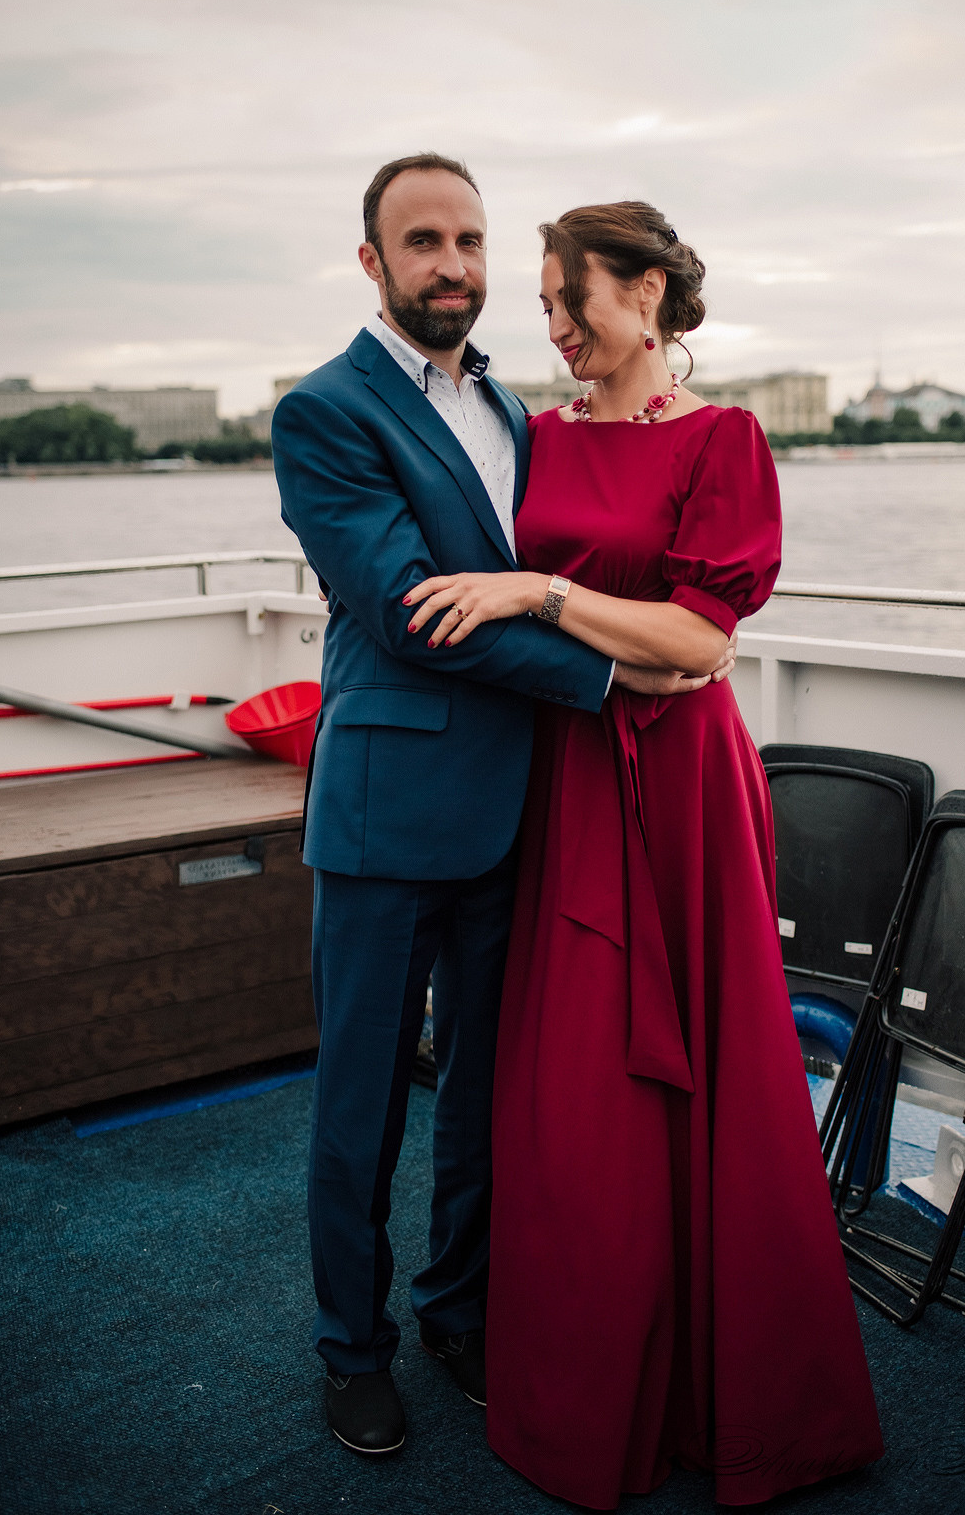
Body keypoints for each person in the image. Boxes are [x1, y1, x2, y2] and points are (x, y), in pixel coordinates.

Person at [402, 201, 884, 1507]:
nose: (553, 328)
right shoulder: (527, 436)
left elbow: (703, 640)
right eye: (544, 307)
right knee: (568, 1094)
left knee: (712, 1078)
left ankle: (733, 1400)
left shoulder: (725, 437)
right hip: (560, 774)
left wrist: (546, 595)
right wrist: (598, 636)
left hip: (679, 792)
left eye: (576, 302)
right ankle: (589, 1389)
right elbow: (608, 627)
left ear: (653, 293)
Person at [271, 157, 730, 1459]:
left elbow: (560, 562)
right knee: (361, 1102)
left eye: (468, 239)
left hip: (516, 810)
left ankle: (454, 1313)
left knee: (483, 1094)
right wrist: (614, 673)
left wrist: (633, 631)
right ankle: (349, 1351)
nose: (452, 265)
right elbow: (414, 610)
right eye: (422, 241)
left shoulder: (519, 413)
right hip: (382, 813)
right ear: (372, 261)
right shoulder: (326, 414)